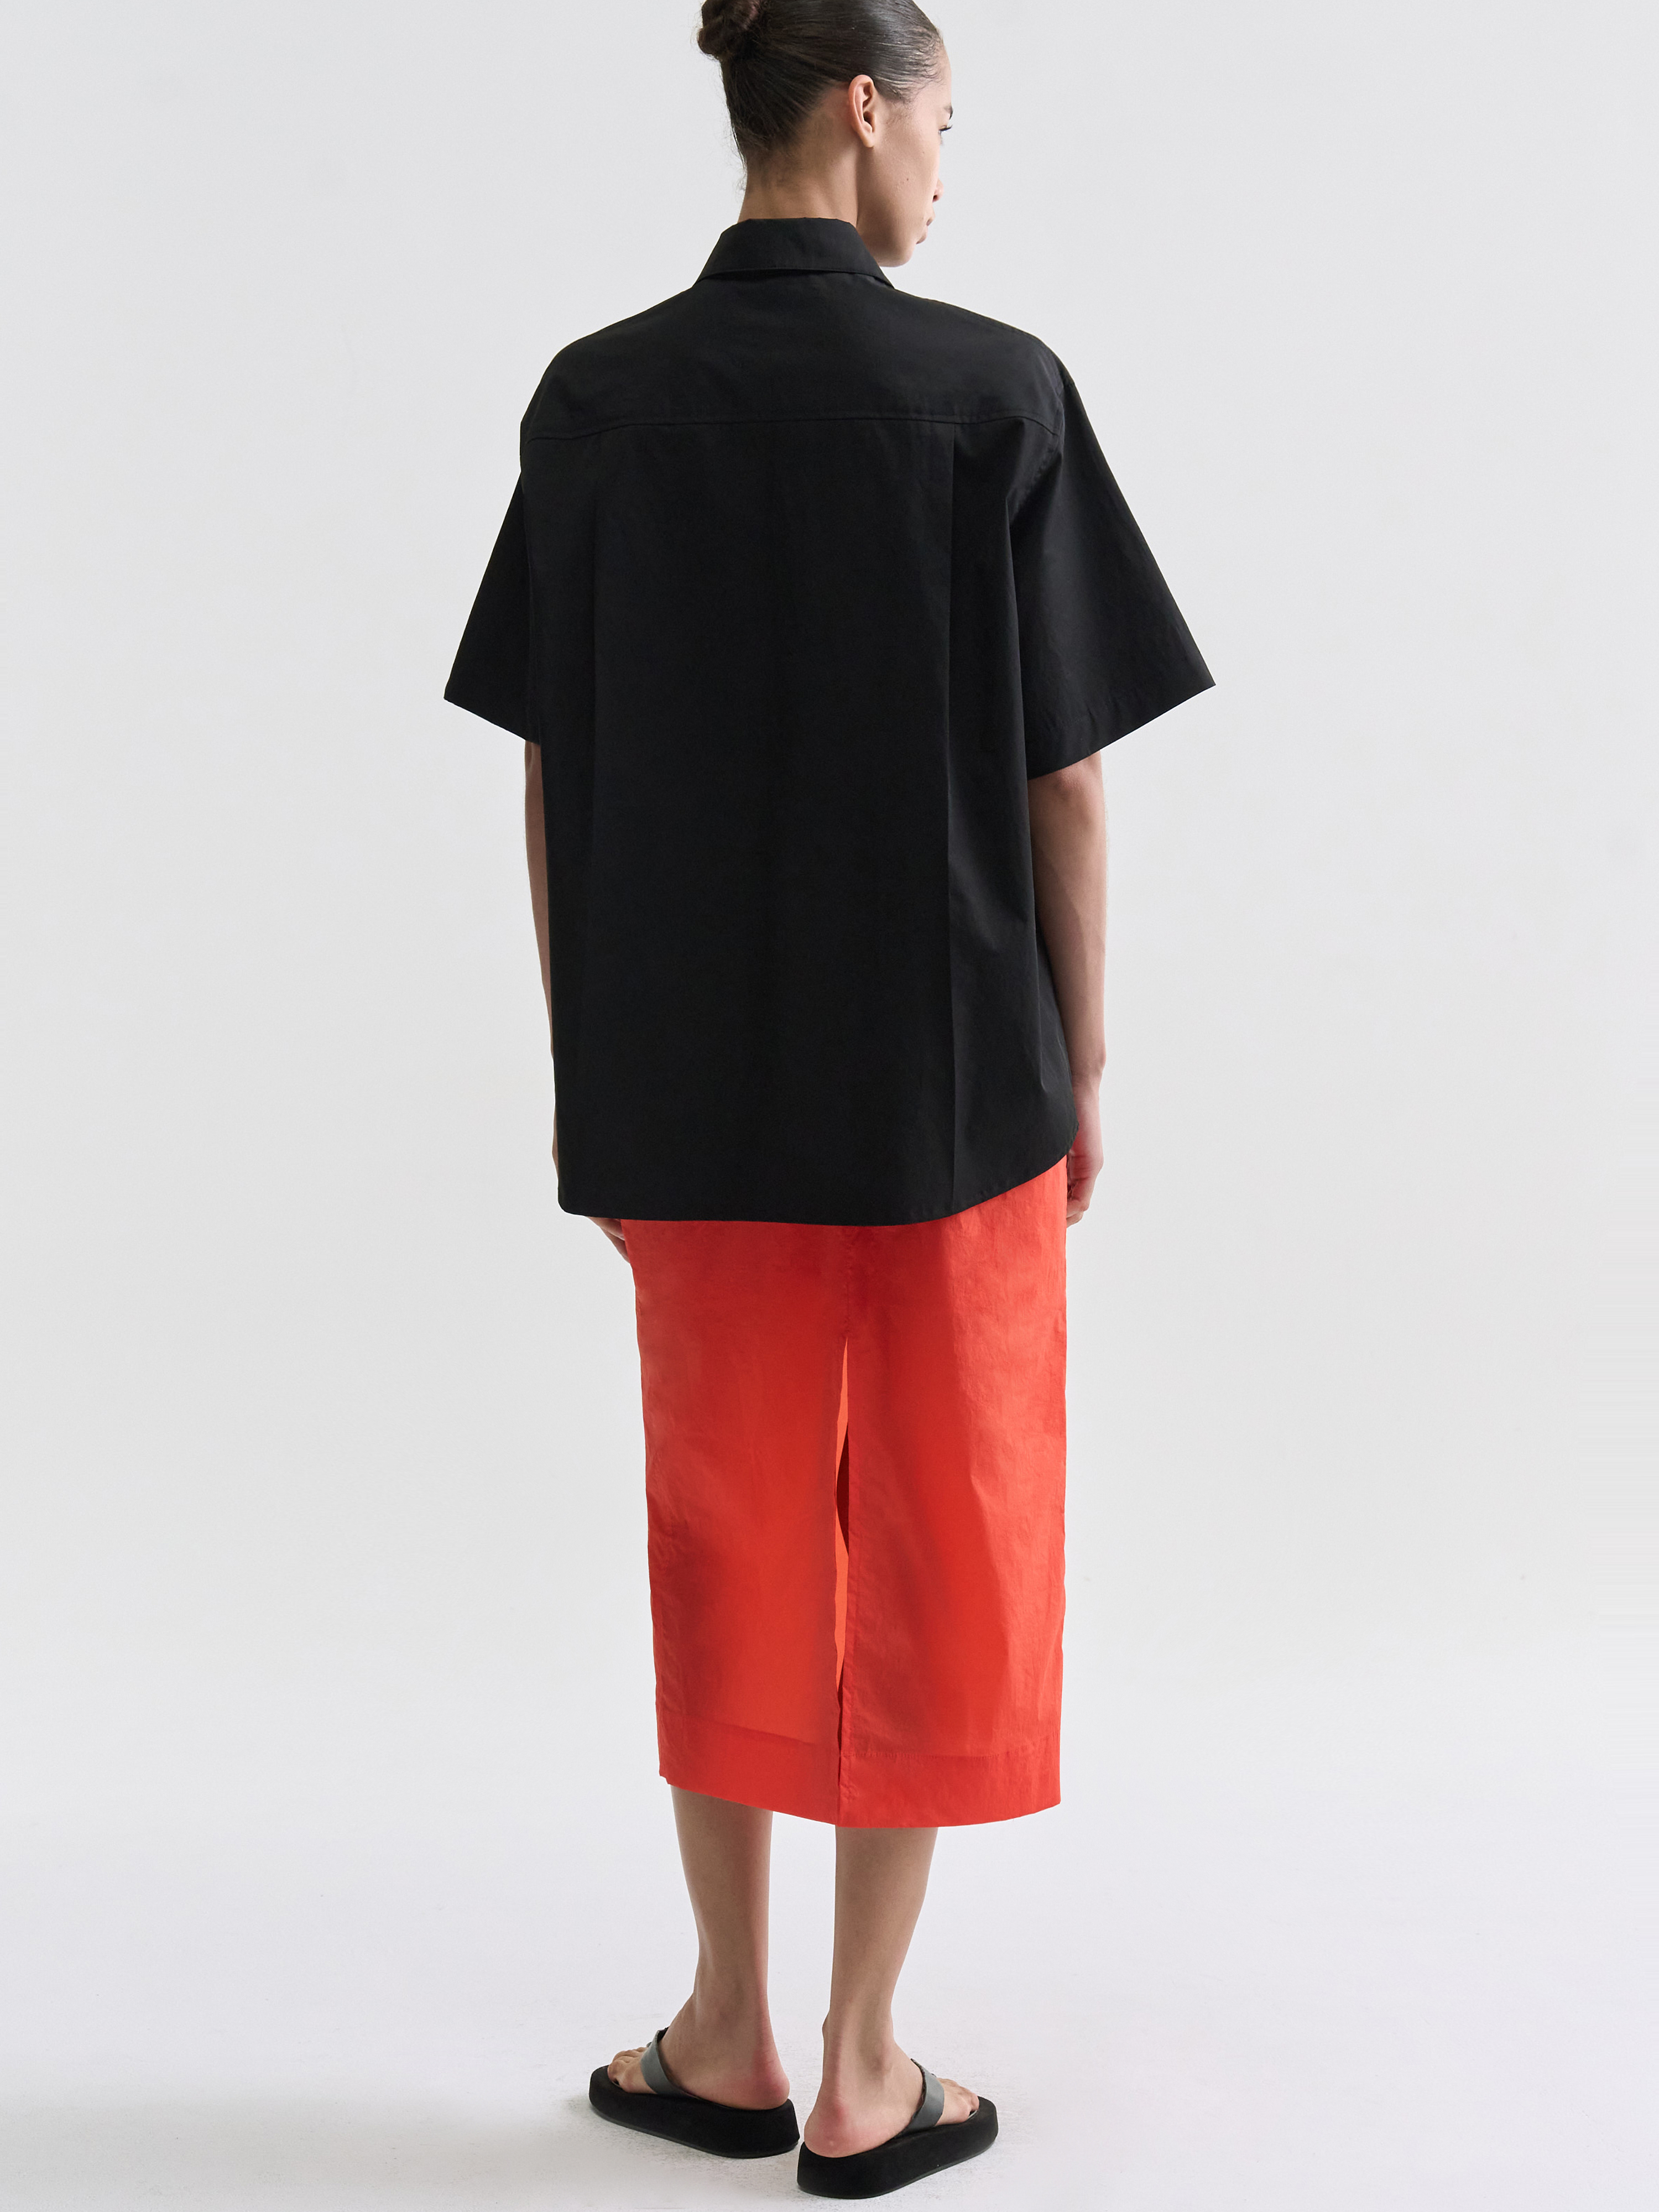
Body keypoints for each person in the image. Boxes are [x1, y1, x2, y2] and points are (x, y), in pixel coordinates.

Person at [445, 0, 1211, 2194]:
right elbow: (1067, 782)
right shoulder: (995, 392)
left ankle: (726, 2031)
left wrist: (598, 1071)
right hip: (957, 1087)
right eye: (944, 121)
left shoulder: (602, 398)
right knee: (938, 1542)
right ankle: (869, 2065)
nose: (948, 168)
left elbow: (557, 771)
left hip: (692, 1098)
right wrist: (1081, 1060)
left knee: (733, 1534)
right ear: (865, 109)